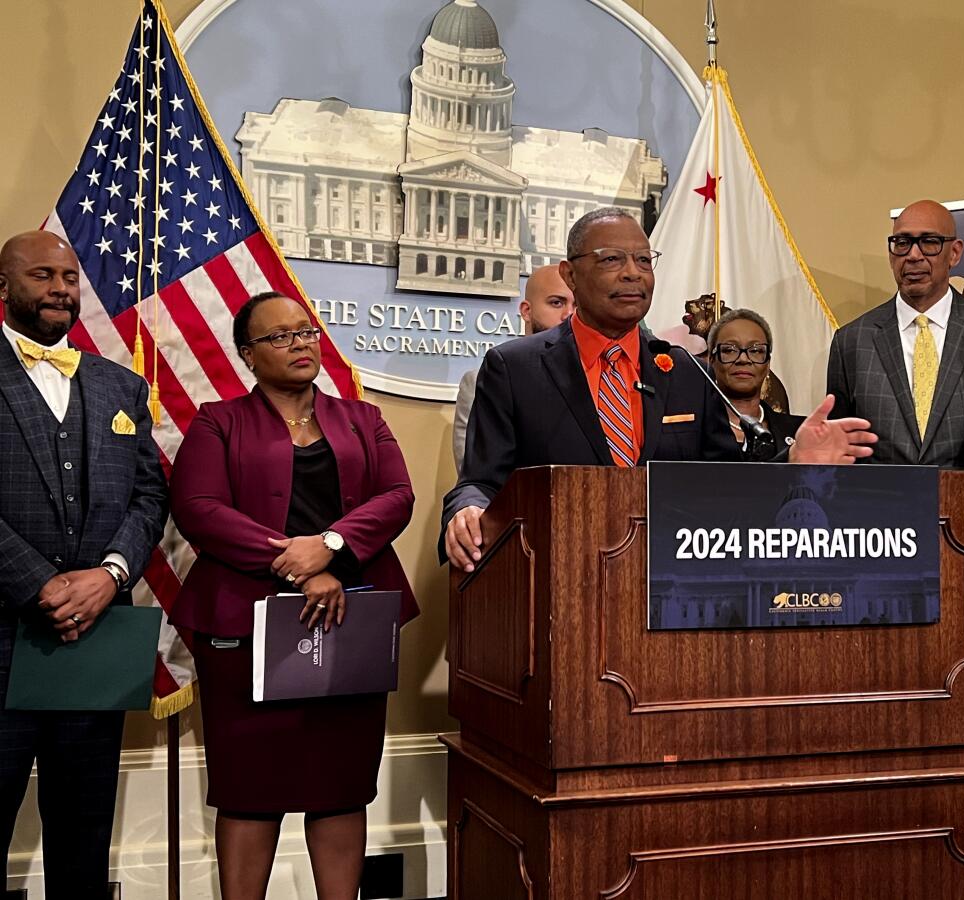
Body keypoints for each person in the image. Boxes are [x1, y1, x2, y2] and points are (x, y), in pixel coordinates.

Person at [442, 207, 877, 571]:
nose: (633, 274)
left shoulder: (684, 371)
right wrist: (466, 512)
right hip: (556, 578)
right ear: (570, 274)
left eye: (644, 261)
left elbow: (727, 484)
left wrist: (793, 464)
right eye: (612, 259)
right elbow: (480, 482)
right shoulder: (515, 368)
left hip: (668, 585)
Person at [169, 291, 419, 899]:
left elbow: (397, 497)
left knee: (341, 785)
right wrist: (299, 564)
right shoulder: (216, 421)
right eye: (279, 337)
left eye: (305, 331)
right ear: (248, 355)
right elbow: (198, 510)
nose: (299, 343)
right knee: (249, 788)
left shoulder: (365, 419)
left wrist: (331, 547)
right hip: (241, 630)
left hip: (349, 620)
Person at [0, 231, 168, 898]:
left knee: (83, 836)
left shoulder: (121, 386)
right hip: (4, 637)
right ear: (5, 288)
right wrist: (35, 581)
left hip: (96, 643)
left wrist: (113, 573)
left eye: (68, 277)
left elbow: (150, 492)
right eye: (42, 275)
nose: (60, 288)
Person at [827, 199, 964, 469]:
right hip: (880, 507)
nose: (914, 255)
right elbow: (839, 454)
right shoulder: (851, 342)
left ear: (954, 253)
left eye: (929, 242)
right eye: (902, 243)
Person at [452, 265, 574, 472]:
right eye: (556, 302)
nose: (568, 314)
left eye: (577, 306)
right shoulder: (483, 381)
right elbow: (477, 477)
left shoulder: (596, 382)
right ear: (526, 311)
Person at [708, 307, 803, 456]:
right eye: (729, 350)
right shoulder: (690, 435)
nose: (743, 359)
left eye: (756, 351)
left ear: (768, 365)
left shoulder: (800, 434)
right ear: (712, 360)